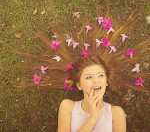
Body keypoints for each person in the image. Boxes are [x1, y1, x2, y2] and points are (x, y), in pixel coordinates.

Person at [16, 12, 150, 132]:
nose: (96, 81)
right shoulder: (68, 107)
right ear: (79, 85)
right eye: (88, 77)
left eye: (100, 76)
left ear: (106, 82)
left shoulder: (116, 113)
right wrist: (93, 118)